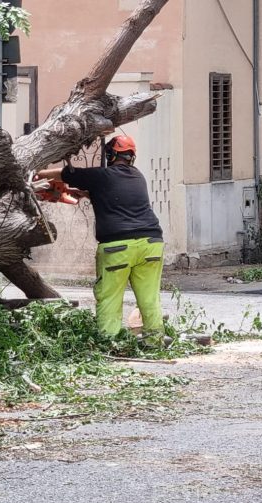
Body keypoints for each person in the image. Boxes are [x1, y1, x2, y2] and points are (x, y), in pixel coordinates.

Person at [37, 135, 166, 345]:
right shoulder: (137, 176)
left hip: (118, 247)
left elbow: (65, 173)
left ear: (111, 154)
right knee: (149, 298)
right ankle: (155, 342)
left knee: (109, 297)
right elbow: (115, 194)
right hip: (151, 244)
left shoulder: (102, 175)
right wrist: (87, 194)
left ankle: (110, 344)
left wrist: (36, 173)